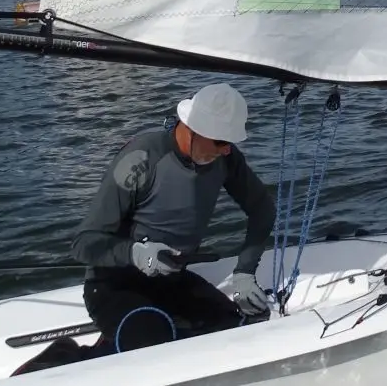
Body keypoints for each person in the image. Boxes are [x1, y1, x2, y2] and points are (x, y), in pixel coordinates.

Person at [71, 83, 276, 353]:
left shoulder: (225, 158)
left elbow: (263, 209)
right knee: (152, 342)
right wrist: (136, 254)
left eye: (230, 143)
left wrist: (245, 272)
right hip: (114, 286)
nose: (226, 150)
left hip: (173, 282)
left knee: (236, 329)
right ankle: (72, 357)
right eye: (221, 142)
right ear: (192, 130)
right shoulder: (140, 159)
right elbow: (84, 243)